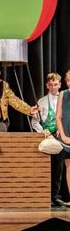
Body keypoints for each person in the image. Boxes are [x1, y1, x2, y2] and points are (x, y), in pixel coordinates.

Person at [31, 72, 65, 207]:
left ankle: (55, 196)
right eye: (50, 85)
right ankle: (44, 196)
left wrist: (62, 129)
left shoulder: (64, 99)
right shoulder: (42, 101)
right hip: (46, 137)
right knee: (45, 167)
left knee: (58, 168)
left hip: (59, 136)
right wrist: (42, 131)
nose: (53, 87)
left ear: (60, 85)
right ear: (47, 85)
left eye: (56, 85)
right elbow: (35, 122)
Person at [56, 69, 70, 206]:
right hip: (66, 134)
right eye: (68, 80)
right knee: (69, 166)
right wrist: (64, 136)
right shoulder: (63, 94)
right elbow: (58, 117)